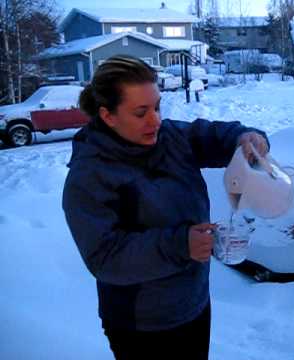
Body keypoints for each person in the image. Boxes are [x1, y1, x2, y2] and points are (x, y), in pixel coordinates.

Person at [62, 55, 269, 360]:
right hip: (143, 326)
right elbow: (104, 257)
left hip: (193, 304)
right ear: (108, 116)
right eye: (140, 112)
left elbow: (212, 136)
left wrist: (245, 138)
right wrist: (179, 245)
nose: (155, 120)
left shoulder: (170, 137)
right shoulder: (89, 176)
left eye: (157, 107)